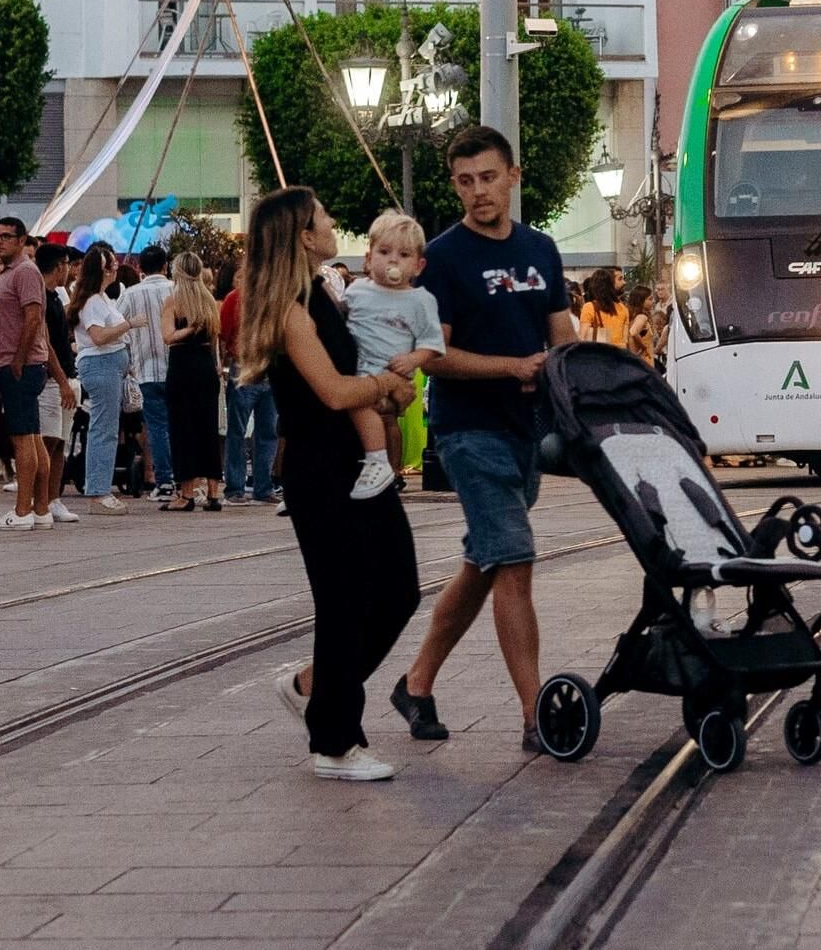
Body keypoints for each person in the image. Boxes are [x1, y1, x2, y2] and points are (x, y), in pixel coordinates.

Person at [398, 127, 576, 752]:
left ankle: (416, 684)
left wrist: (579, 377)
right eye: (466, 181)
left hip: (524, 430)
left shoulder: (542, 249)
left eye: (488, 178)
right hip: (468, 432)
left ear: (512, 176)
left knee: (485, 563)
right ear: (455, 185)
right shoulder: (442, 258)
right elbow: (432, 357)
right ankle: (536, 717)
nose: (479, 192)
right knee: (516, 562)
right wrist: (510, 366)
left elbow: (563, 335)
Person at [238, 186, 420, 780]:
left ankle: (313, 688)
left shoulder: (321, 293)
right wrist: (384, 390)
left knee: (398, 588)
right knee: (344, 602)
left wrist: (390, 389)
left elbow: (353, 378)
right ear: (301, 234)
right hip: (322, 469)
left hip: (354, 462)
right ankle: (335, 743)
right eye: (323, 216)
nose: (333, 219)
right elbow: (336, 391)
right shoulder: (290, 309)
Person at [342, 212, 444, 500]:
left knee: (366, 409)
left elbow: (433, 344)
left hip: (389, 373)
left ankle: (379, 463)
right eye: (384, 252)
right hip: (356, 368)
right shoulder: (357, 290)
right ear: (368, 257)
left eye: (403, 254)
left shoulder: (420, 301)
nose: (392, 261)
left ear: (418, 265)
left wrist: (413, 360)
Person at [0, 218, 56, 532]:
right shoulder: (10, 272)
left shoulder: (25, 271)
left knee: (23, 439)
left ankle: (23, 509)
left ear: (21, 239)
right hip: (18, 362)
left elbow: (32, 317)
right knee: (33, 437)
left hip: (21, 365)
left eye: (5, 237)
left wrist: (18, 359)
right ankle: (40, 508)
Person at [70, 246, 137, 514]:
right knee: (103, 429)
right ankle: (98, 491)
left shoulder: (101, 299)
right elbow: (98, 336)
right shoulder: (92, 302)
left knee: (107, 428)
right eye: (111, 264)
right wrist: (129, 325)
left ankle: (100, 487)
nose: (115, 268)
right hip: (101, 364)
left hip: (110, 365)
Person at [19, 240, 82, 528]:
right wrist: (61, 380)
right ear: (59, 266)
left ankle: (52, 498)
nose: (69, 270)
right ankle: (38, 500)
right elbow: (47, 345)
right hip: (52, 380)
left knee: (59, 443)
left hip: (66, 376)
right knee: (46, 441)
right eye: (68, 265)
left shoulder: (57, 296)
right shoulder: (42, 298)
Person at [161, 253, 224, 512]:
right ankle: (213, 492)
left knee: (183, 428)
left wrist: (188, 329)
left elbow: (168, 336)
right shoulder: (209, 300)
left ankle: (186, 493)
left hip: (183, 366)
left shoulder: (174, 300)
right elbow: (216, 338)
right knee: (208, 428)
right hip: (206, 367)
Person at [118, 246, 176, 502]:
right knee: (179, 425)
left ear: (140, 268)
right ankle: (185, 479)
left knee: (157, 427)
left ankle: (164, 481)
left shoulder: (131, 294)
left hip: (145, 371)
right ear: (166, 266)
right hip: (178, 368)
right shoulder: (177, 290)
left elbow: (116, 327)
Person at [219, 263, 279, 510]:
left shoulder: (235, 299)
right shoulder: (271, 299)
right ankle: (257, 487)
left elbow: (225, 333)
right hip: (263, 367)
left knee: (241, 431)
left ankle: (239, 488)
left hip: (245, 366)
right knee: (263, 431)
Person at [579, 268, 628, 347]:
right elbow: (625, 339)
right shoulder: (623, 308)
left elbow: (583, 337)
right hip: (619, 355)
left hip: (600, 355)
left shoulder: (589, 307)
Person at [625, 284, 656, 367]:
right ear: (641, 301)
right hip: (644, 362)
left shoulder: (633, 317)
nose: (653, 301)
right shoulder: (642, 317)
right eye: (650, 299)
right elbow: (634, 332)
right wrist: (644, 347)